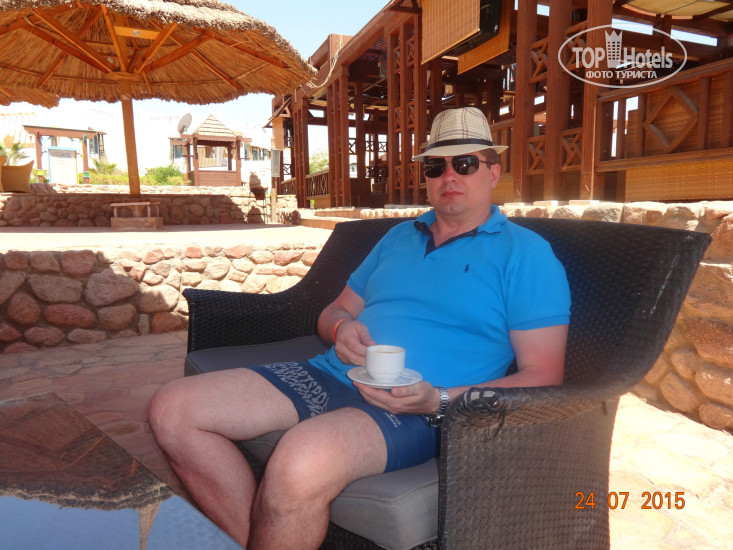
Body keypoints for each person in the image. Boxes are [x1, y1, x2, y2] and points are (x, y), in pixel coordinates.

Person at [147, 106, 571, 550]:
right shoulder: (399, 237)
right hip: (330, 373)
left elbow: (544, 375)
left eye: (464, 163)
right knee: (173, 410)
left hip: (417, 408)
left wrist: (441, 400)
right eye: (435, 166)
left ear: (493, 172)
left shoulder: (527, 254)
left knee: (300, 462)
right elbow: (333, 312)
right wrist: (341, 329)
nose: (449, 176)